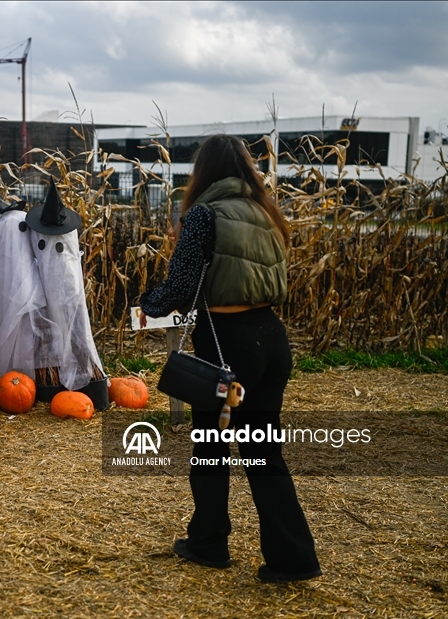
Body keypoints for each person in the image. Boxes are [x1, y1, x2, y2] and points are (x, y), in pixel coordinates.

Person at [138, 134, 322, 582]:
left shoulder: (204, 215)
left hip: (228, 343)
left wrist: (149, 301)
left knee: (211, 448)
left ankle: (209, 543)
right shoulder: (267, 212)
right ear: (245, 169)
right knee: (264, 453)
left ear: (204, 171)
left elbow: (181, 288)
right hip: (271, 340)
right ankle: (293, 559)